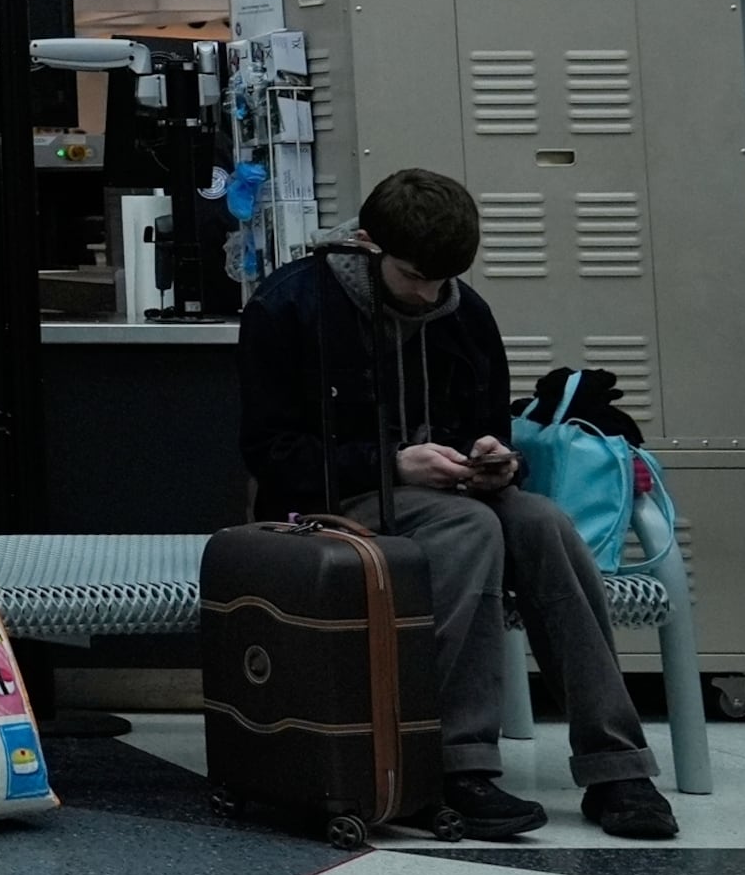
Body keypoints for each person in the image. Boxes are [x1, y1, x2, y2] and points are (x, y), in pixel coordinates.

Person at [238, 169, 677, 840]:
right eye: (414, 277)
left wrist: (496, 459)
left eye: (444, 280)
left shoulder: (462, 312)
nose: (429, 295)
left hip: (445, 493)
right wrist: (391, 464)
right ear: (365, 245)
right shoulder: (289, 307)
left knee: (544, 524)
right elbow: (271, 455)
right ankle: (453, 763)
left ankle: (616, 765)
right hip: (329, 507)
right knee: (469, 526)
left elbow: (489, 424)